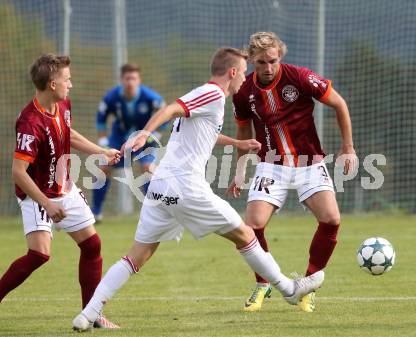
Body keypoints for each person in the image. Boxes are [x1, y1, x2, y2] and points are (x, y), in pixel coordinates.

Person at [72, 47, 324, 331]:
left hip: (161, 186)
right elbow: (171, 108)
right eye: (243, 71)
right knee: (245, 234)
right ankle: (289, 290)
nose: (246, 77)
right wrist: (144, 133)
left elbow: (206, 132)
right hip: (185, 186)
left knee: (136, 256)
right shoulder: (214, 93)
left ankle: (88, 314)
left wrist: (238, 144)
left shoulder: (209, 100)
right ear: (232, 72)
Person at [228, 32, 357, 312]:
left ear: (280, 57)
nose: (268, 67)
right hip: (271, 164)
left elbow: (339, 104)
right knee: (252, 226)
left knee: (332, 219)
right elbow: (242, 130)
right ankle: (263, 284)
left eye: (272, 60)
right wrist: (239, 169)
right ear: (251, 61)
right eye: (261, 62)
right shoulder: (243, 91)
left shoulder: (299, 77)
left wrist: (348, 148)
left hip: (309, 162)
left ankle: (309, 284)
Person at [0, 54, 121, 329]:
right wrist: (47, 204)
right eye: (67, 79)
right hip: (36, 193)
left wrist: (101, 151)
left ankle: (92, 315)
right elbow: (18, 172)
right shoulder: (30, 123)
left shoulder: (62, 103)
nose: (72, 84)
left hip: (63, 187)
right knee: (40, 255)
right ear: (52, 84)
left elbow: (68, 133)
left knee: (92, 245)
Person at [92, 63, 167, 222]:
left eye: (133, 78)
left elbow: (166, 117)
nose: (130, 82)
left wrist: (153, 137)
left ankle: (152, 212)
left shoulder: (152, 98)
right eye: (127, 78)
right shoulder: (111, 97)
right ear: (121, 80)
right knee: (103, 168)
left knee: (148, 169)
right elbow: (100, 119)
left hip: (145, 140)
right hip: (119, 140)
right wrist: (104, 141)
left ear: (139, 80)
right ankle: (96, 213)